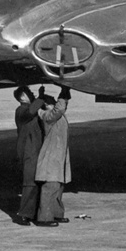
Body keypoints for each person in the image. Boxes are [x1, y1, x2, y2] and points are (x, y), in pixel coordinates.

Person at [33, 86, 73, 226]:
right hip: (51, 157)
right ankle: (44, 218)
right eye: (52, 102)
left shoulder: (55, 114)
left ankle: (56, 214)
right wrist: (63, 91)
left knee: (58, 187)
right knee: (50, 188)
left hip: (58, 156)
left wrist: (65, 92)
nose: (54, 103)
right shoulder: (47, 116)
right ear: (46, 105)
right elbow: (60, 108)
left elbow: (62, 106)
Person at [12, 87, 45, 225]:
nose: (31, 94)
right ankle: (25, 214)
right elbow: (32, 111)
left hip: (34, 150)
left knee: (36, 182)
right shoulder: (21, 111)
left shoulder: (27, 110)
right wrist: (41, 97)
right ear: (22, 97)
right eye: (29, 93)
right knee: (29, 183)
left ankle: (33, 213)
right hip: (28, 151)